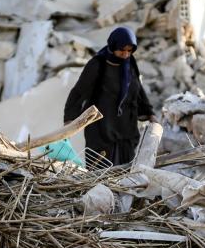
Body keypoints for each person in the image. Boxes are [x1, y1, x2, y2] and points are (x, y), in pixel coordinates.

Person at [64, 27, 157, 166]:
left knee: (126, 172)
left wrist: (149, 112)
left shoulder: (130, 63)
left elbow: (137, 88)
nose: (126, 54)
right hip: (101, 128)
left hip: (126, 128)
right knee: (100, 171)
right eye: (122, 50)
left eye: (129, 50)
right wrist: (69, 119)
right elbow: (79, 91)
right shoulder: (98, 64)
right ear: (113, 46)